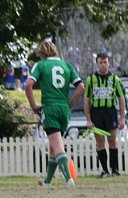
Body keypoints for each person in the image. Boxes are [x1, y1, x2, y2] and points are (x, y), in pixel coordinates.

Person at [25, 41, 84, 186]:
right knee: (53, 146)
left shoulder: (41, 65)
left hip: (50, 108)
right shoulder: (67, 65)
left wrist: (33, 106)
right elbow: (81, 87)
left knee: (57, 147)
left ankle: (69, 179)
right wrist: (69, 105)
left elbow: (28, 85)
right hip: (64, 109)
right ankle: (47, 182)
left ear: (42, 53)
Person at [83, 52, 126, 179]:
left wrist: (122, 117)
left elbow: (121, 97)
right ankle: (105, 170)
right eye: (100, 62)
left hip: (110, 112)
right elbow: (86, 99)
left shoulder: (115, 79)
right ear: (96, 63)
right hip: (96, 112)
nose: (103, 65)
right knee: (100, 142)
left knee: (112, 141)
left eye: (105, 62)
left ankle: (115, 169)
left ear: (109, 63)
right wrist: (88, 119)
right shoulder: (91, 79)